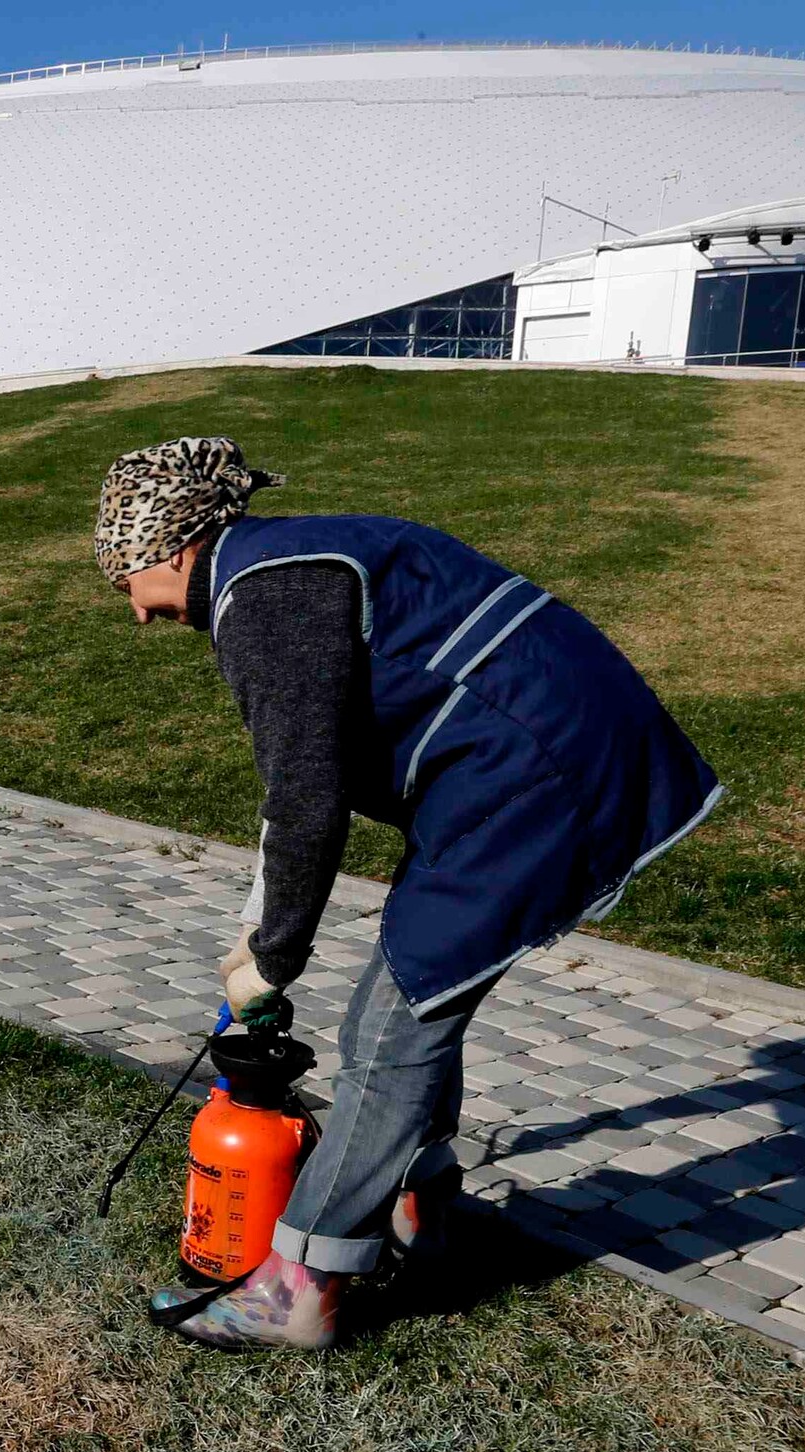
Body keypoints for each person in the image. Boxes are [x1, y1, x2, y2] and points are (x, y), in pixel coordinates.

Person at [95, 436, 722, 1351]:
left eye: (129, 582)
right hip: (522, 760)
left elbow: (306, 798)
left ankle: (300, 1287)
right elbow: (298, 786)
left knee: (392, 1025)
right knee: (422, 990)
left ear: (175, 545)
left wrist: (272, 957)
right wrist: (255, 932)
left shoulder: (263, 598)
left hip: (533, 773)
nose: (138, 612)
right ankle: (422, 1214)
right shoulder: (283, 561)